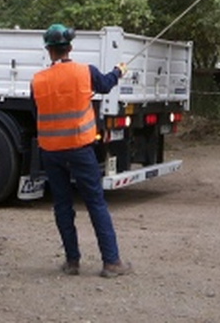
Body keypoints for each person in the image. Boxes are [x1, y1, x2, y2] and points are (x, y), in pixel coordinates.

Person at [30, 23, 132, 278]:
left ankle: (72, 261)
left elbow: (37, 112)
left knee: (63, 206)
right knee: (95, 203)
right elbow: (106, 84)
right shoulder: (85, 72)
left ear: (49, 50)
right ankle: (111, 262)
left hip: (51, 151)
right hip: (79, 148)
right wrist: (119, 71)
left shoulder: (38, 80)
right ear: (70, 48)